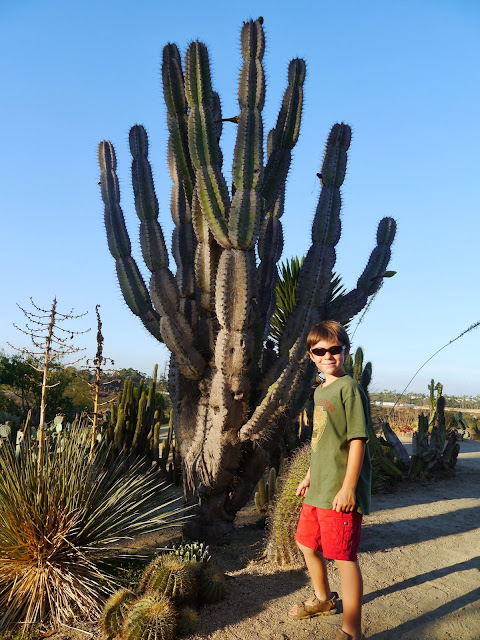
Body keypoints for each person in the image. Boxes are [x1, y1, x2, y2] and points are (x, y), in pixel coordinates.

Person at [288, 320, 371, 640]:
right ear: (311, 355)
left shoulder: (350, 388)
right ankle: (323, 600)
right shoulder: (321, 389)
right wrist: (309, 475)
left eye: (334, 350)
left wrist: (349, 487)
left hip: (339, 489)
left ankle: (352, 630)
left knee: (344, 558)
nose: (328, 355)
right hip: (319, 486)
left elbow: (357, 439)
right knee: (305, 543)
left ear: (345, 351)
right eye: (320, 351)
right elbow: (321, 439)